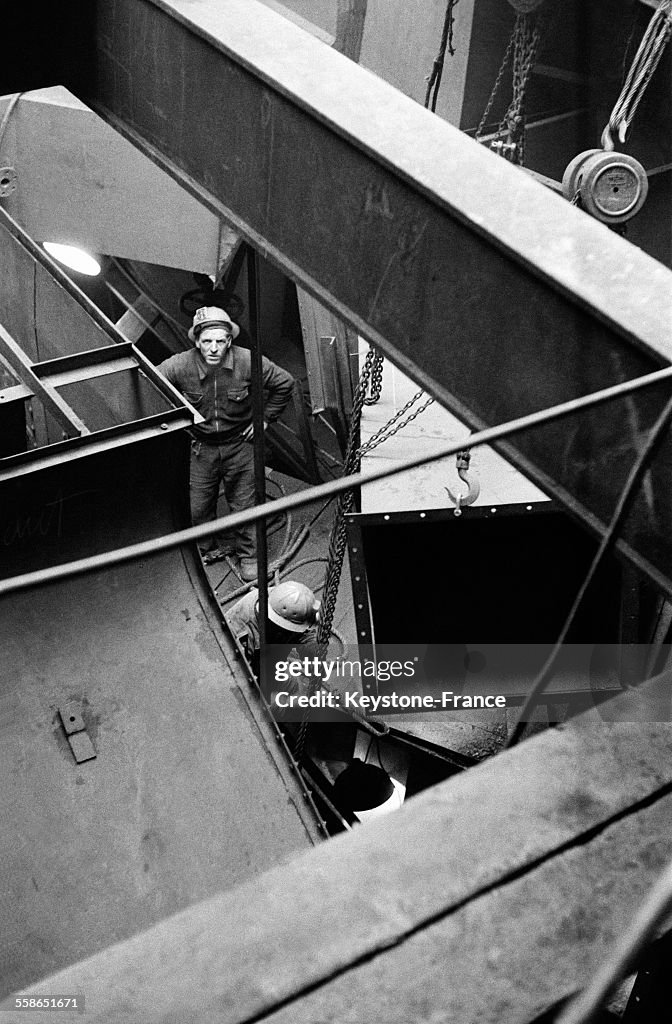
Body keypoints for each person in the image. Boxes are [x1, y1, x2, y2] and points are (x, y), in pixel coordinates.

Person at [158, 306, 294, 581]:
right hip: (201, 447)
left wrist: (264, 420)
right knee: (197, 508)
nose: (213, 348)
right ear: (196, 341)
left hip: (240, 446)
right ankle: (205, 550)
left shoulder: (248, 361)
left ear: (230, 341)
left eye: (221, 341)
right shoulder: (178, 365)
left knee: (245, 507)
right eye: (207, 341)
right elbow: (150, 382)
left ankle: (250, 558)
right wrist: (172, 426)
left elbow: (285, 383)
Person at [226, 580, 320, 677]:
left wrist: (310, 648)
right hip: (251, 657)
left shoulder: (279, 598)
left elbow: (306, 629)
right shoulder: (241, 634)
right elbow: (244, 677)